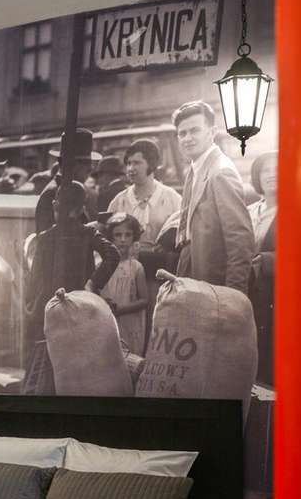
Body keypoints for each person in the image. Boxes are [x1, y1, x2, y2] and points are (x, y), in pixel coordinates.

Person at [173, 100, 255, 294]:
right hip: (195, 277)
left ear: (212, 132)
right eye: (182, 133)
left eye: (195, 131)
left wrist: (234, 296)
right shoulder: (195, 168)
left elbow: (240, 240)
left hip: (216, 287)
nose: (187, 138)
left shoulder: (220, 172)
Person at [25, 181, 119, 340]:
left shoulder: (45, 238)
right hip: (81, 303)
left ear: (54, 205)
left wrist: (32, 307)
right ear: (81, 210)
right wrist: (93, 283)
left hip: (52, 306)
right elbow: (113, 254)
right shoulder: (88, 233)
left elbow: (35, 280)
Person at [107, 139, 181, 245]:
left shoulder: (172, 199)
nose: (130, 168)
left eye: (136, 163)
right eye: (129, 163)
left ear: (151, 164)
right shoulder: (119, 201)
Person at [34, 129, 101, 233]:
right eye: (86, 163)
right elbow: (46, 236)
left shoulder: (77, 189)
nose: (91, 168)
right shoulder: (52, 193)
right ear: (72, 165)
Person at [248, 151, 278, 384]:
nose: (272, 174)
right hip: (248, 292)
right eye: (266, 170)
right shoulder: (249, 211)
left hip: (276, 295)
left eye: (278, 169)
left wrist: (266, 260)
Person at [100, 213, 148, 355]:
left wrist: (121, 309)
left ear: (134, 237)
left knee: (129, 357)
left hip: (130, 322)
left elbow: (144, 300)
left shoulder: (136, 267)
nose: (123, 239)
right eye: (118, 235)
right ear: (110, 237)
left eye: (128, 235)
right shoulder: (102, 266)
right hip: (107, 320)